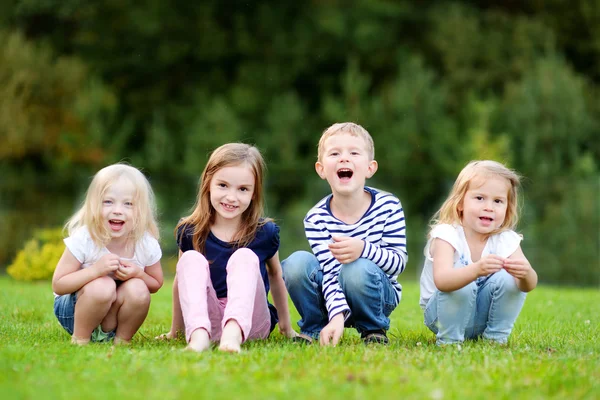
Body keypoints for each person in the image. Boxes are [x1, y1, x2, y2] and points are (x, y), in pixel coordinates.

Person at [159, 143, 295, 353]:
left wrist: (287, 328)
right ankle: (198, 338)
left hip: (252, 323)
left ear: (254, 193)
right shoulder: (190, 231)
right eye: (223, 185)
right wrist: (175, 330)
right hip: (208, 321)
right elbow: (181, 280)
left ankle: (232, 337)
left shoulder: (264, 232)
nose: (231, 197)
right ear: (208, 184)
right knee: (189, 260)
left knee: (244, 256)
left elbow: (276, 275)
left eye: (242, 189)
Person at [282, 122, 408, 346]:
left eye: (354, 152)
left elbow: (398, 263)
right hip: (333, 298)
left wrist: (363, 249)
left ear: (370, 167)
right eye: (335, 153)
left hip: (377, 295)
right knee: (296, 263)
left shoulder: (389, 206)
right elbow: (329, 273)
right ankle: (315, 328)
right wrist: (337, 316)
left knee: (356, 268)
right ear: (321, 169)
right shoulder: (316, 218)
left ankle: (373, 329)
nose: (344, 158)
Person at [419, 160, 538, 345]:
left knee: (509, 277)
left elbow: (527, 285)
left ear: (507, 210)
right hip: (441, 315)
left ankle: (496, 338)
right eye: (480, 198)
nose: (489, 207)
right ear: (460, 204)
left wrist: (526, 273)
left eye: (498, 201)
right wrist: (476, 270)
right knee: (460, 276)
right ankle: (449, 340)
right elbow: (442, 281)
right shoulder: (446, 234)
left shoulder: (506, 239)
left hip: (481, 318)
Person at [52, 163, 164, 345]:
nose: (118, 210)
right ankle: (80, 339)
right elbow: (59, 284)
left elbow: (155, 284)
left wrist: (138, 274)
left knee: (138, 288)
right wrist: (95, 271)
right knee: (102, 285)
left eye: (128, 204)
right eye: (108, 202)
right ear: (94, 205)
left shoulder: (145, 243)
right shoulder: (86, 238)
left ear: (140, 211)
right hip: (74, 312)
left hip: (115, 316)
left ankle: (121, 341)